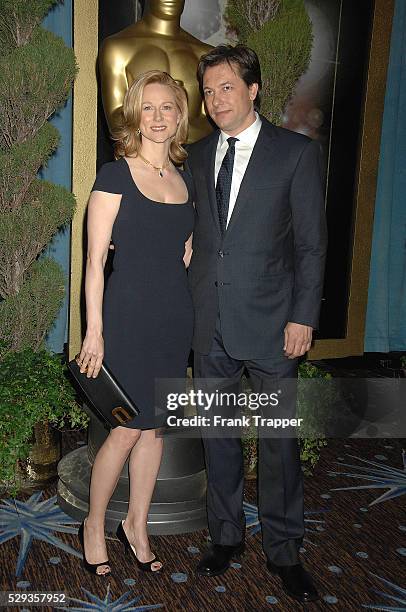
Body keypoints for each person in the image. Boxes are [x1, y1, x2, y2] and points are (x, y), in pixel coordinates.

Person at [185, 45, 327, 603]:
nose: (216, 99)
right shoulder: (196, 155)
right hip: (209, 322)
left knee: (277, 444)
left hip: (274, 326)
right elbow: (194, 225)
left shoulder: (295, 153)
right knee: (217, 436)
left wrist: (303, 316)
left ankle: (285, 550)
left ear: (253, 89)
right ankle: (226, 538)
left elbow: (313, 245)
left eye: (227, 88)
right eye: (209, 90)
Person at [77, 70, 194, 576]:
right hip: (126, 320)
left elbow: (183, 252)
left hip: (174, 320)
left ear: (180, 115)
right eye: (148, 107)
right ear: (134, 115)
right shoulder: (115, 175)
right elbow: (94, 261)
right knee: (125, 431)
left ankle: (137, 526)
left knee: (156, 432)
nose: (158, 117)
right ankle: (95, 524)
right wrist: (95, 332)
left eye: (167, 107)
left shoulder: (185, 180)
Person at [99, 0, 213, 142]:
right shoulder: (117, 48)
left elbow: (213, 120)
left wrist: (161, 127)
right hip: (140, 160)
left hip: (195, 161)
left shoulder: (204, 54)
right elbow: (117, 120)